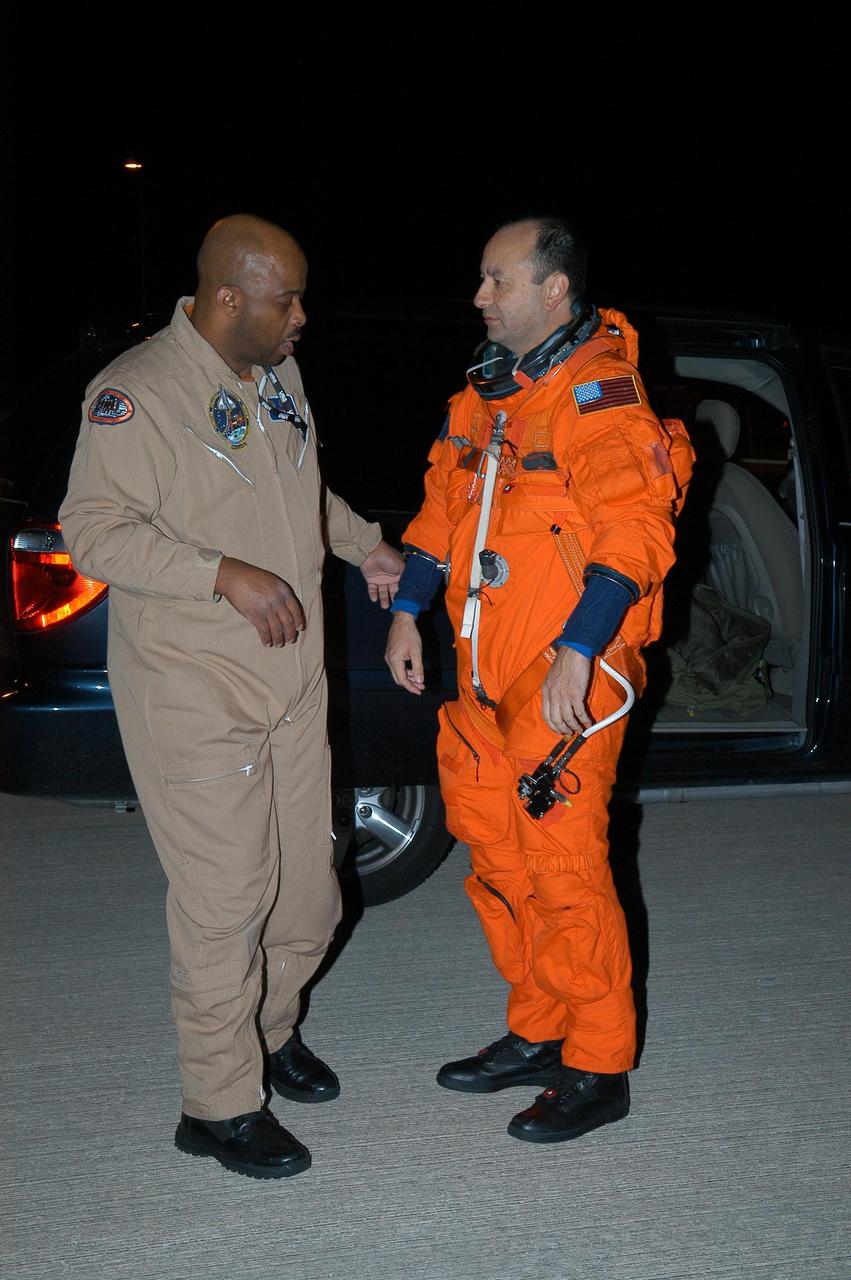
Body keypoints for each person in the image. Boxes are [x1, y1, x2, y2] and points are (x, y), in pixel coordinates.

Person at [60, 214, 404, 1180]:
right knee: (226, 903)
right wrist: (222, 573)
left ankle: (266, 1030)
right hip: (192, 686)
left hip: (291, 684)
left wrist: (361, 540)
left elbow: (304, 488)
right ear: (226, 299)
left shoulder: (278, 376)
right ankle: (216, 1103)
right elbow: (93, 530)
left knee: (308, 896)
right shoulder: (135, 396)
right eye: (285, 300)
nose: (302, 317)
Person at [385, 216, 692, 1143]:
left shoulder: (598, 397)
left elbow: (636, 529)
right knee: (498, 861)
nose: (479, 297)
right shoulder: (488, 398)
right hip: (483, 681)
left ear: (553, 290)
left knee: (564, 872)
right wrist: (407, 607)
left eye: (497, 280)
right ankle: (539, 1027)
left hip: (564, 677)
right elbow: (444, 503)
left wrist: (578, 648)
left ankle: (598, 1063)